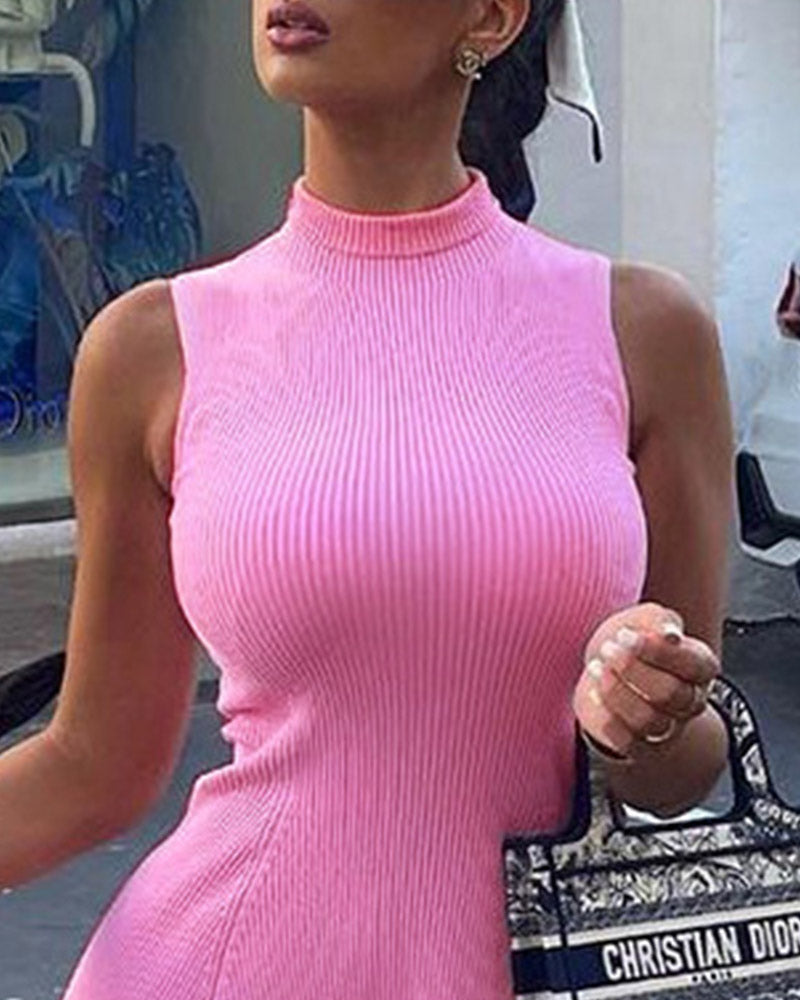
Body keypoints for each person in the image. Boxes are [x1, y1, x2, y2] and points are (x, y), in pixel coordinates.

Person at [0, 0, 734, 996]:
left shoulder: (642, 333)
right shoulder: (152, 350)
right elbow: (95, 762)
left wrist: (643, 716)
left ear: (490, 16)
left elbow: (687, 762)